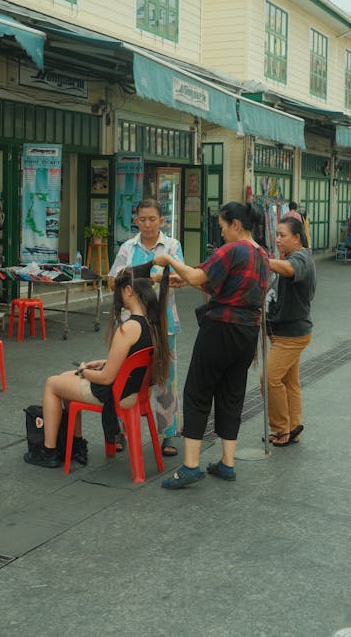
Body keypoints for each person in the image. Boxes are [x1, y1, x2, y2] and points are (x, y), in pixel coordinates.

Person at [154, 201, 269, 489]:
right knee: (232, 394)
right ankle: (227, 463)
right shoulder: (262, 255)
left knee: (198, 390)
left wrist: (169, 261)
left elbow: (198, 275)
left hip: (220, 329)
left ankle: (191, 466)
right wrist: (185, 281)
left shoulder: (233, 249)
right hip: (247, 333)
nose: (221, 234)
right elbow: (219, 283)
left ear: (236, 225)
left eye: (222, 227)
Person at [24, 267, 171, 468]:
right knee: (65, 377)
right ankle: (76, 445)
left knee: (52, 383)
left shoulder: (128, 328)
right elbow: (132, 359)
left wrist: (85, 372)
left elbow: (106, 379)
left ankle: (48, 451)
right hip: (135, 391)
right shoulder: (152, 324)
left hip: (115, 393)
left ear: (128, 290)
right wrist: (103, 363)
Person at [108, 199, 184, 457]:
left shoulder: (172, 246)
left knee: (165, 379)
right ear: (136, 220)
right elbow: (112, 280)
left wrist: (158, 277)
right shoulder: (128, 248)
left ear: (162, 221)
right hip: (131, 324)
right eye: (143, 219)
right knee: (124, 375)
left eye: (153, 219)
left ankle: (168, 434)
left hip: (164, 324)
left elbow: (179, 277)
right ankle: (120, 430)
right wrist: (140, 276)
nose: (148, 224)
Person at [261, 216, 316, 446]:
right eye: (278, 235)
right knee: (289, 382)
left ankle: (281, 428)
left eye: (283, 235)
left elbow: (290, 270)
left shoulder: (301, 258)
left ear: (297, 237)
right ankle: (294, 427)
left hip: (291, 336)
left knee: (269, 379)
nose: (279, 239)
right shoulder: (288, 256)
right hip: (282, 334)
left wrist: (262, 260)